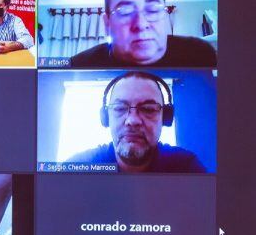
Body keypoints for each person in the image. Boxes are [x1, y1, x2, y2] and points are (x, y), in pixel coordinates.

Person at [70, 0, 217, 68]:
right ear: (107, 24)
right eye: (125, 11)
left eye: (153, 9)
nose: (141, 24)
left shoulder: (199, 54)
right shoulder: (79, 66)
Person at [66, 71, 207, 173]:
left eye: (148, 109)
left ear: (165, 117)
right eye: (120, 108)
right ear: (106, 117)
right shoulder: (77, 167)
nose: (132, 121)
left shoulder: (187, 168)